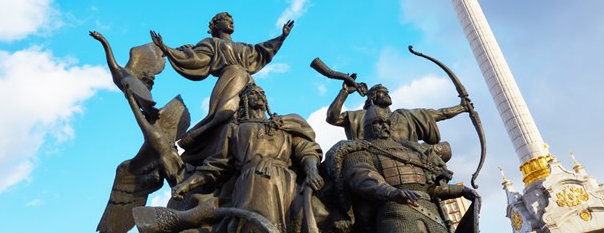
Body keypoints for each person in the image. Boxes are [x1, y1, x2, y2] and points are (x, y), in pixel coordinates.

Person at [171, 83, 325, 233]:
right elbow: (217, 165)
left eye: (261, 93)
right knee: (254, 225)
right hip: (252, 183)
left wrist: (312, 171)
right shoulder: (235, 128)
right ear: (244, 101)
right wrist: (186, 185)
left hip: (286, 182)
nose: (258, 95)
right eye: (253, 93)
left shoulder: (283, 124)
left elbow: (306, 149)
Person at [150, 12, 293, 164]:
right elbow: (196, 59)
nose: (231, 22)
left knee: (249, 115)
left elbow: (261, 51)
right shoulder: (212, 43)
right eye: (226, 20)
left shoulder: (243, 46)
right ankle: (197, 137)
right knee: (225, 113)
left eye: (232, 20)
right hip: (230, 77)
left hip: (248, 82)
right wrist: (166, 49)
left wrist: (281, 37)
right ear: (216, 25)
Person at [330, 106, 479, 233]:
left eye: (387, 122)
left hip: (433, 216)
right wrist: (391, 192)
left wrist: (460, 191)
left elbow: (429, 188)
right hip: (395, 213)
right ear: (367, 126)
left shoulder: (409, 150)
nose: (385, 126)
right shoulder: (361, 150)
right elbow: (361, 176)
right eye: (378, 122)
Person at [326, 83, 466, 144]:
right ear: (373, 98)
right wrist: (344, 92)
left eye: (388, 92)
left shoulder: (406, 115)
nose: (387, 94)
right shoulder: (360, 117)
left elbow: (440, 114)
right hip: (374, 164)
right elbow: (333, 117)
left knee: (444, 149)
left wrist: (461, 108)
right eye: (383, 92)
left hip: (411, 160)